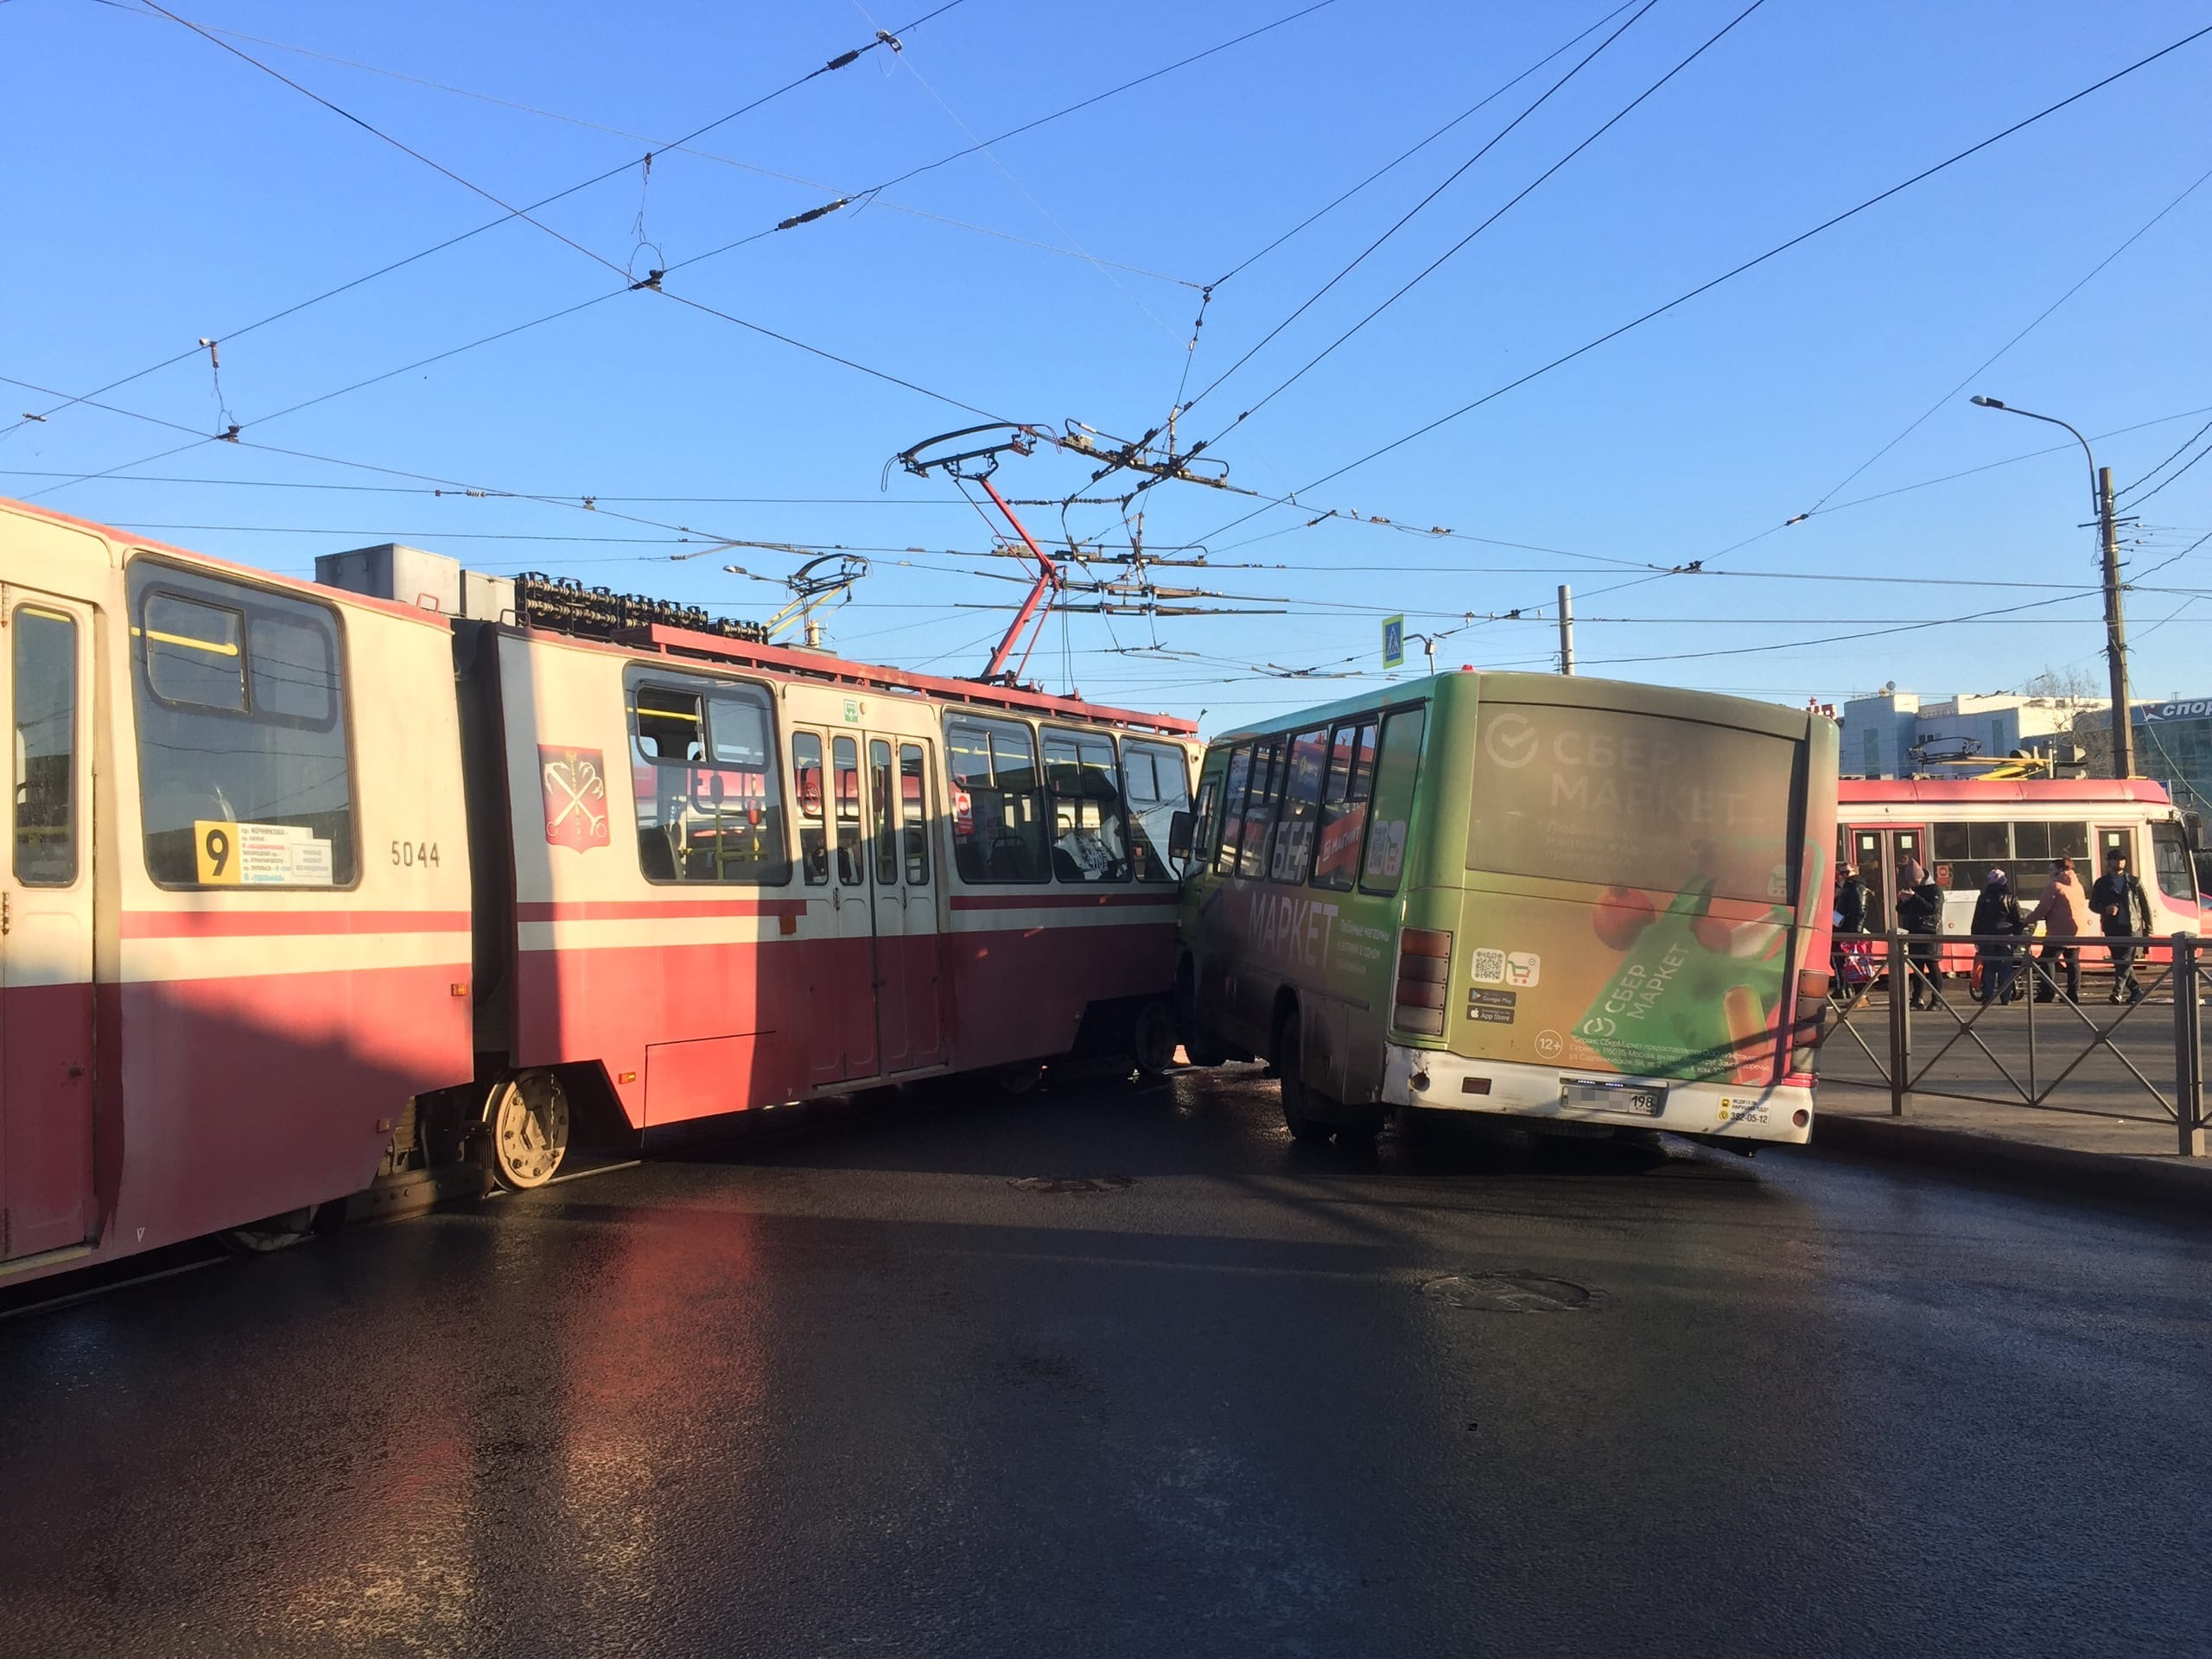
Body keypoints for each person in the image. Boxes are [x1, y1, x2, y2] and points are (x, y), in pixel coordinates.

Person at [2089, 851, 2154, 1003]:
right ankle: (2136, 991)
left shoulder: (2134, 882)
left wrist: (2148, 930)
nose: (2119, 862)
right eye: (2115, 860)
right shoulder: (2102, 883)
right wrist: (2105, 909)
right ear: (2109, 862)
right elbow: (2092, 904)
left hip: (2132, 927)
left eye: (2122, 860)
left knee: (2124, 959)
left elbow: (2145, 907)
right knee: (2120, 961)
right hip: (2112, 928)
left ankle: (2117, 992)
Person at [2024, 856, 2089, 1003]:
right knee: (2072, 962)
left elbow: (2043, 908)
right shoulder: (2078, 885)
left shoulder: (2054, 886)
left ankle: (2047, 992)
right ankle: (2073, 994)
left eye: (2051, 869)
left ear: (2060, 870)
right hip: (2078, 930)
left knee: (2047, 960)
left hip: (2059, 931)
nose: (2049, 873)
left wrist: (2027, 920)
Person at [1896, 857, 1947, 1009]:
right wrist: (1902, 901)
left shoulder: (1935, 890)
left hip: (1931, 933)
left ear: (1922, 877)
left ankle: (1937, 1000)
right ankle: (1916, 998)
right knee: (1917, 967)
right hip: (1914, 932)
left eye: (1915, 881)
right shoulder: (1913, 890)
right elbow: (1901, 911)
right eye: (1910, 882)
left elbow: (1932, 909)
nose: (1912, 885)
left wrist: (1914, 897)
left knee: (1933, 966)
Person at [1970, 868, 2024, 1005]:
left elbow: (1977, 919)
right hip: (2007, 936)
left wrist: (1975, 936)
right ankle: (2005, 997)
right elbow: (2020, 919)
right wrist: (2017, 935)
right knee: (2005, 968)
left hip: (1987, 936)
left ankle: (1987, 996)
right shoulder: (2011, 898)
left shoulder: (1983, 897)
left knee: (1989, 967)